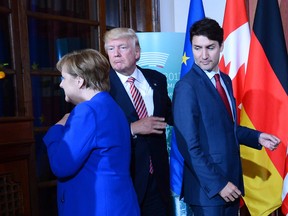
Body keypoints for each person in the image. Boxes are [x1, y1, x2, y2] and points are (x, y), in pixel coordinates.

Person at [172, 18, 280, 216]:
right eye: (197, 48)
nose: (203, 55)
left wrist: (256, 137)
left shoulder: (225, 80)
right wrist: (218, 183)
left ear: (221, 46)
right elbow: (189, 146)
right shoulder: (186, 87)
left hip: (231, 184)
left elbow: (225, 128)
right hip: (208, 192)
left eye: (210, 47)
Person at [43, 49, 140, 216]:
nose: (60, 84)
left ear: (79, 81)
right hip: (119, 205)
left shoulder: (87, 111)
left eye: (64, 78)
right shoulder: (112, 106)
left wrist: (57, 129)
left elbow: (61, 165)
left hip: (96, 207)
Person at [104, 28, 173, 216]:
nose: (116, 53)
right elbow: (97, 133)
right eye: (110, 49)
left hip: (157, 179)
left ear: (137, 52)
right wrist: (132, 128)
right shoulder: (102, 87)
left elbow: (171, 114)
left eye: (122, 47)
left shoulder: (157, 79)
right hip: (126, 178)